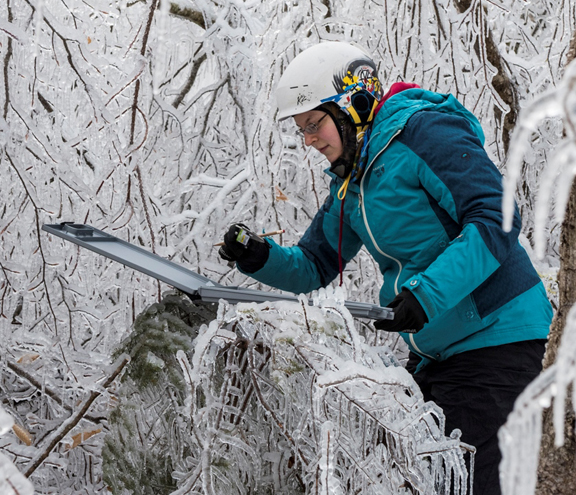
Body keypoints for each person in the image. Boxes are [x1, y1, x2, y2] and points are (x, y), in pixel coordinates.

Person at [218, 42, 552, 494]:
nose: (310, 141)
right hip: (438, 356)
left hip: (499, 343)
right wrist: (259, 258)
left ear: (354, 106)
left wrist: (426, 294)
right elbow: (315, 265)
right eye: (303, 131)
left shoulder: (424, 132)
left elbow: (498, 216)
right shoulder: (352, 181)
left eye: (314, 125)